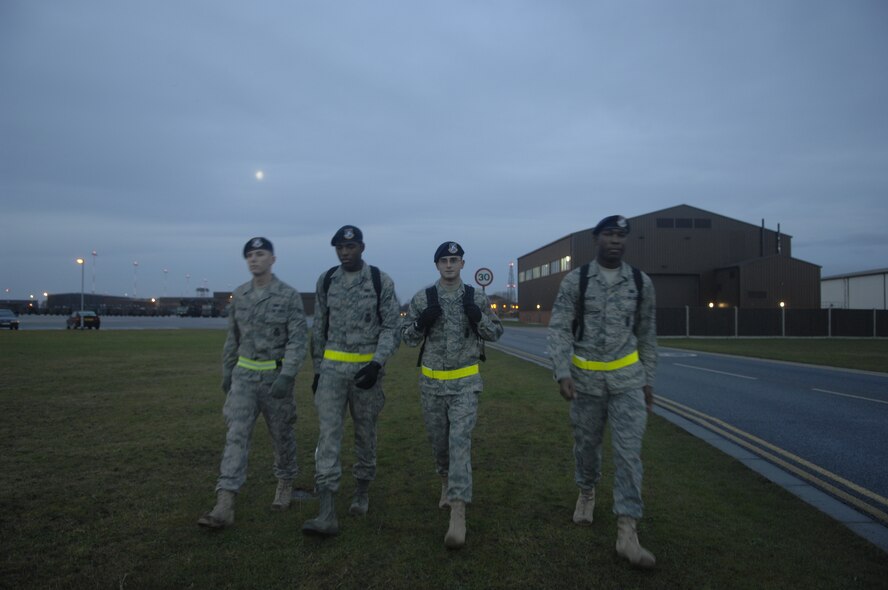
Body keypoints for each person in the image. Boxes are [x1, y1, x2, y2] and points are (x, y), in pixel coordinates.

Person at [546, 215, 658, 568]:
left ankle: (627, 531)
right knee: (587, 448)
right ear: (597, 239)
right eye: (609, 234)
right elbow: (560, 328)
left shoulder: (640, 282)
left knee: (628, 455)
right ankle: (587, 491)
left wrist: (647, 380)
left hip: (628, 384)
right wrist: (562, 372)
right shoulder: (576, 281)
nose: (615, 240)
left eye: (621, 235)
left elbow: (647, 334)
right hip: (586, 385)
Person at [198, 237, 308, 529]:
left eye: (260, 254)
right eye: (249, 255)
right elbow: (232, 338)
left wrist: (287, 375)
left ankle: (285, 482)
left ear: (272, 259)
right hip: (244, 378)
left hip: (275, 379)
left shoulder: (288, 296)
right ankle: (225, 501)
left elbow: (298, 340)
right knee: (236, 436)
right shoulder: (240, 295)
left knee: (282, 435)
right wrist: (227, 371)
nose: (254, 259)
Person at [401, 241, 503, 549]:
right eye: (444, 260)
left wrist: (478, 317)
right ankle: (445, 481)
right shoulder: (423, 298)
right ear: (437, 265)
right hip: (432, 387)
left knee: (459, 444)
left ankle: (458, 513)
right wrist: (421, 322)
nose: (449, 265)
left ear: (462, 264)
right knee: (440, 446)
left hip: (465, 386)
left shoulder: (475, 297)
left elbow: (496, 333)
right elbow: (407, 338)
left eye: (454, 260)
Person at [302, 225, 401, 536]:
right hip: (332, 373)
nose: (345, 253)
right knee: (328, 436)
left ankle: (361, 491)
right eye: (340, 248)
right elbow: (319, 328)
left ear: (361, 247)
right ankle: (327, 511)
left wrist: (377, 363)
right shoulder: (326, 280)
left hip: (365, 375)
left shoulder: (379, 280)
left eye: (351, 247)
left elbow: (391, 327)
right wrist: (318, 370)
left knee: (365, 435)